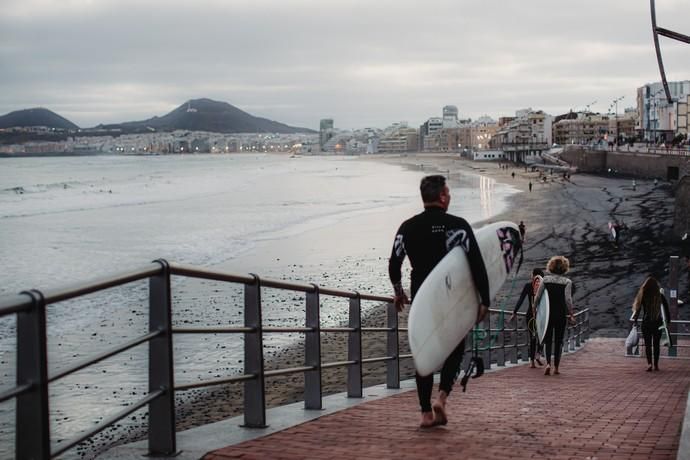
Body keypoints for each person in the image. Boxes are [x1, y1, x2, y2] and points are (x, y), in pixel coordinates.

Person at [389, 174, 490, 428]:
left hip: (422, 299)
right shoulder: (458, 225)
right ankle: (442, 398)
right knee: (455, 348)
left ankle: (425, 413)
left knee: (424, 353)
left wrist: (399, 291)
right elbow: (477, 265)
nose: (450, 196)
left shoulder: (407, 227)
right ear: (442, 196)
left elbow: (394, 263)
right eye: (448, 192)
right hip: (451, 297)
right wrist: (484, 300)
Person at [534, 256, 575, 376]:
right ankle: (556, 367)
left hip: (548, 315)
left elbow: (538, 297)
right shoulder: (567, 282)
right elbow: (568, 299)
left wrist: (535, 309)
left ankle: (548, 364)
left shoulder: (545, 280)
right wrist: (571, 314)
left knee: (547, 340)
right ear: (564, 268)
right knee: (559, 341)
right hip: (561, 314)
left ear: (550, 266)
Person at [632, 276, 671, 371]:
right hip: (657, 323)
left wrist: (635, 320)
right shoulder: (660, 296)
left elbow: (638, 309)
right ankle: (656, 365)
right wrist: (668, 321)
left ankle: (649, 364)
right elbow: (666, 309)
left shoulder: (643, 295)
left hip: (646, 323)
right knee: (656, 344)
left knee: (648, 345)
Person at [509, 268, 545, 368]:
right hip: (541, 315)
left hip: (530, 315)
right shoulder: (544, 286)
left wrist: (514, 312)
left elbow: (521, 299)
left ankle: (532, 362)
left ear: (534, 275)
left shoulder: (528, 286)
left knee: (533, 338)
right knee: (543, 336)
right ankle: (538, 354)